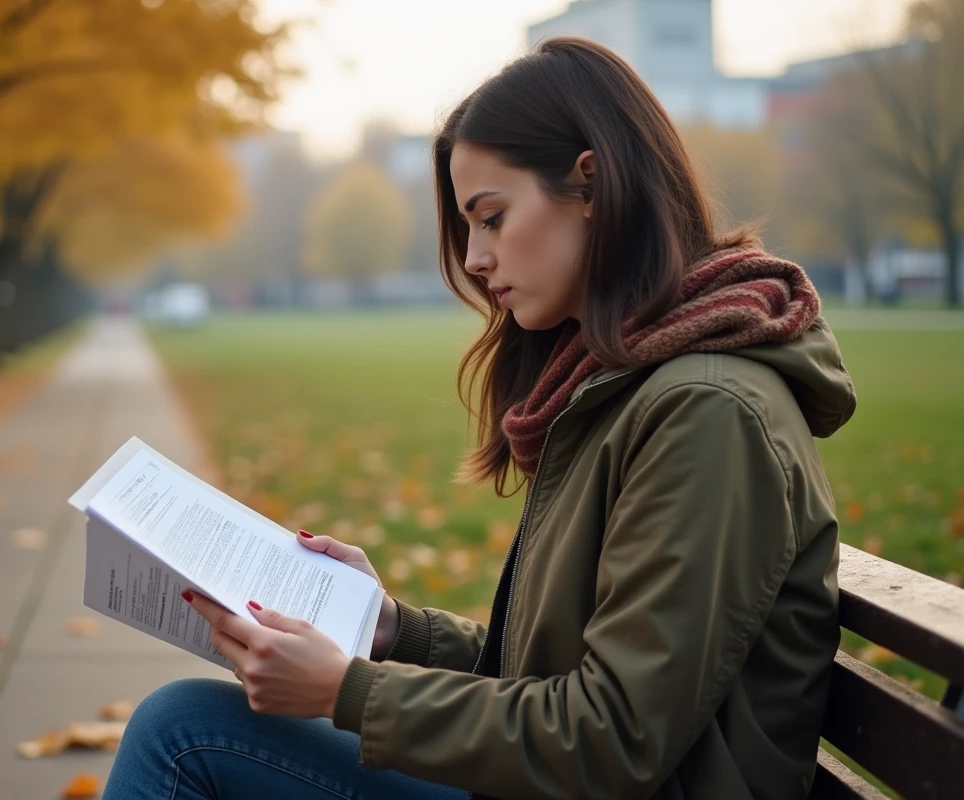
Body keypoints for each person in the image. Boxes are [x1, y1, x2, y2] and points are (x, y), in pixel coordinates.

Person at [104, 36, 855, 800]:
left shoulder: (706, 413)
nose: (473, 257)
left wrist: (346, 693)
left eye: (490, 218)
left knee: (182, 733)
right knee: (184, 725)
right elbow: (554, 683)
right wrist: (392, 629)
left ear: (590, 184)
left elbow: (614, 738)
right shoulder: (628, 386)